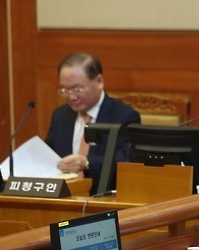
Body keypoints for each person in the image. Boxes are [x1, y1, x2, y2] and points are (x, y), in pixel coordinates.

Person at [45, 53, 141, 195]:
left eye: (77, 89)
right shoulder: (60, 115)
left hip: (103, 199)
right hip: (63, 198)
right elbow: (49, 154)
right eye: (65, 90)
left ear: (99, 81)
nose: (71, 97)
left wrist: (86, 162)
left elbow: (125, 162)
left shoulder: (124, 116)